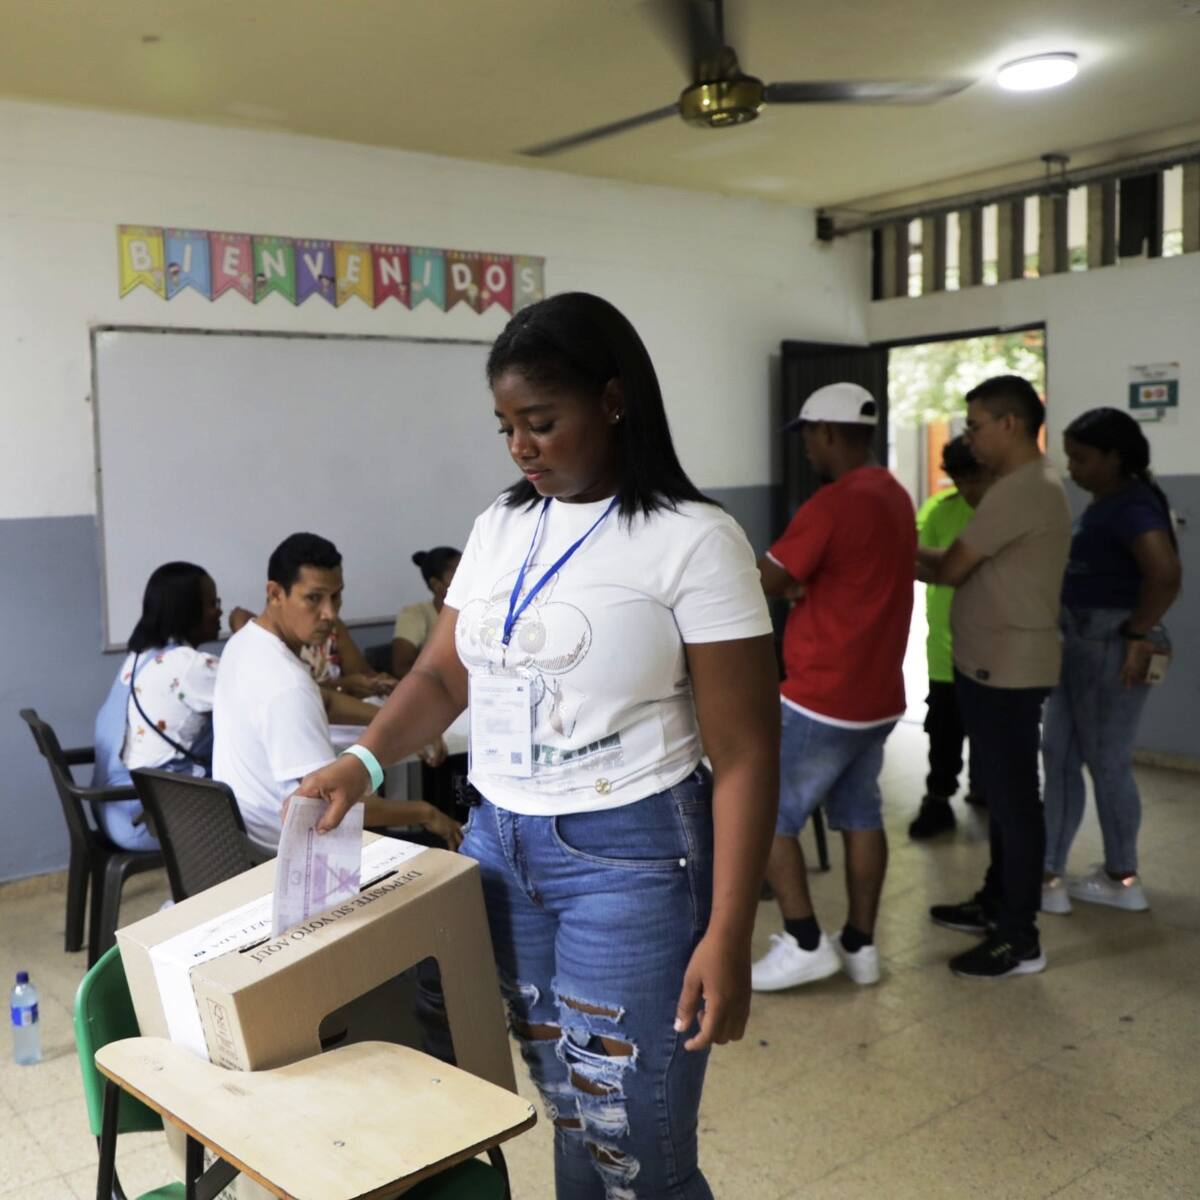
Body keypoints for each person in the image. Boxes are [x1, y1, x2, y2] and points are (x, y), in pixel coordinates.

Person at [296, 292, 780, 1200]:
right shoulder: (500, 526)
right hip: (499, 848)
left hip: (630, 858)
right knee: (569, 1114)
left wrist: (729, 930)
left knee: (637, 1146)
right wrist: (361, 765)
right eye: (505, 426)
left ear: (614, 400)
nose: (521, 446)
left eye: (541, 422)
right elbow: (443, 680)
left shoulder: (695, 541)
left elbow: (747, 751)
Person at [751, 382, 915, 992]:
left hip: (822, 694)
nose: (808, 451)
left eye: (808, 438)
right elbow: (854, 576)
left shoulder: (832, 503)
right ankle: (860, 946)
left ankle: (802, 940)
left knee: (764, 811)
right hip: (876, 697)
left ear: (825, 432)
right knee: (859, 815)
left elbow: (765, 578)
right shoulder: (894, 495)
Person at [920, 375, 1071, 979]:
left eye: (976, 424)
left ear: (1009, 424)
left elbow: (953, 568)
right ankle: (996, 902)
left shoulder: (1019, 489)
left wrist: (881, 549)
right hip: (994, 662)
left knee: (1013, 803)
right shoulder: (1025, 485)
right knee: (1009, 800)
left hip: (1006, 668)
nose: (969, 435)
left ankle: (1019, 936)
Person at [213, 532, 460, 853]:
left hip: (246, 836)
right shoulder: (287, 685)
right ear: (275, 593)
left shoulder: (245, 643)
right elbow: (326, 805)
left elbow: (324, 700)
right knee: (450, 849)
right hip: (291, 852)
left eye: (336, 597)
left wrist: (407, 726)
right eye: (314, 598)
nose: (330, 614)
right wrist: (426, 812)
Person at [1042, 408, 1181, 914]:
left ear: (1113, 457)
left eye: (1080, 458)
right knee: (1058, 753)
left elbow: (1164, 574)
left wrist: (1135, 633)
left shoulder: (1132, 504)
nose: (1071, 467)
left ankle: (1122, 876)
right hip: (1084, 643)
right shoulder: (1109, 501)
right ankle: (1049, 872)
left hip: (1106, 642)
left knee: (1105, 761)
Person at [92, 562, 223, 850]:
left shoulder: (141, 656)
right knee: (258, 810)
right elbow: (261, 697)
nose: (220, 611)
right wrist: (247, 634)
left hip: (113, 809)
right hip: (147, 819)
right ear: (188, 610)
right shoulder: (189, 666)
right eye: (212, 603)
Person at [909, 436, 992, 839]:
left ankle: (987, 788)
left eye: (972, 479)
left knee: (992, 729)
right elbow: (915, 557)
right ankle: (939, 798)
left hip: (996, 650)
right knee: (944, 731)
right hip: (945, 648)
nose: (966, 489)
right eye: (958, 479)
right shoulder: (941, 512)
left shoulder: (1003, 512)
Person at [392, 546, 461, 679]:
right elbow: (401, 667)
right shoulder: (415, 614)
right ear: (436, 585)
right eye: (459, 575)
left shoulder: (477, 612)